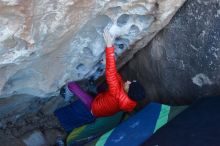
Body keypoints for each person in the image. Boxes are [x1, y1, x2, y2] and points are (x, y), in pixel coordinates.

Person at [60, 28, 146, 118]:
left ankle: (67, 96)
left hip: (94, 108)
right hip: (104, 104)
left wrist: (109, 46)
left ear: (127, 91)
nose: (128, 81)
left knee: (72, 85)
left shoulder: (117, 93)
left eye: (130, 84)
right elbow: (116, 79)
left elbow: (111, 74)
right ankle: (92, 88)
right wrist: (107, 65)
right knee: (99, 89)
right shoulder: (130, 102)